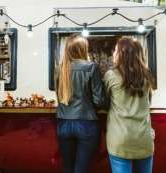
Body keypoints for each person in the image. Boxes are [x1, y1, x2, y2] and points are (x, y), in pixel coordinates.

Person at [55, 34, 106, 173]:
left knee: (68, 168)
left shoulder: (60, 69)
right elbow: (100, 100)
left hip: (63, 124)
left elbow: (60, 97)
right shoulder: (91, 67)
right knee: (81, 170)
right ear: (83, 49)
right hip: (86, 123)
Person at [104, 37, 155, 173]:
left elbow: (103, 101)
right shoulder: (147, 76)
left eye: (115, 50)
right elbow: (148, 103)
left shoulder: (111, 75)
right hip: (144, 138)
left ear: (121, 54)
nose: (113, 53)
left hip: (120, 139)